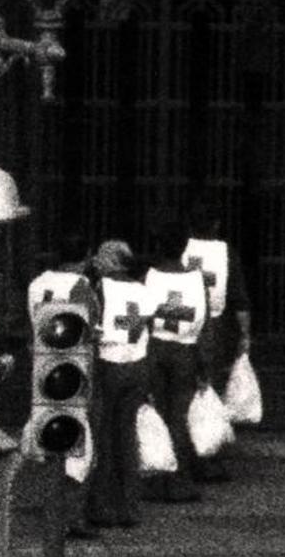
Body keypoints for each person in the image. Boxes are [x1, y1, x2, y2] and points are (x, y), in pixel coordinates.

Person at [25, 234, 101, 540]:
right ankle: (71, 516)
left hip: (42, 363)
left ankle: (51, 509)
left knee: (51, 433)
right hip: (73, 367)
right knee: (80, 444)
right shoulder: (82, 287)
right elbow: (88, 329)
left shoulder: (36, 283)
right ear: (84, 257)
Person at [143, 223, 210, 503]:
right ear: (184, 247)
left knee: (155, 413)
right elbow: (203, 324)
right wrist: (204, 368)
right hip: (186, 353)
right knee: (179, 417)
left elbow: (142, 317)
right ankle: (179, 483)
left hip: (155, 349)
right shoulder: (197, 280)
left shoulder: (150, 276)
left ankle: (155, 480)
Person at [185, 207, 252, 482]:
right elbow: (239, 300)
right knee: (209, 390)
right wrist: (245, 335)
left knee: (185, 390)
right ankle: (208, 455)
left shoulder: (182, 249)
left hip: (184, 324)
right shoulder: (226, 253)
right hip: (214, 326)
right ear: (216, 223)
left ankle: (185, 454)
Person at [88, 240, 150, 529]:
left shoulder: (101, 286)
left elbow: (94, 325)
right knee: (127, 435)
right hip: (137, 364)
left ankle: (103, 506)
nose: (95, 259)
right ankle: (130, 506)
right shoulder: (142, 288)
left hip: (108, 364)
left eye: (101, 255)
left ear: (113, 262)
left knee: (103, 435)